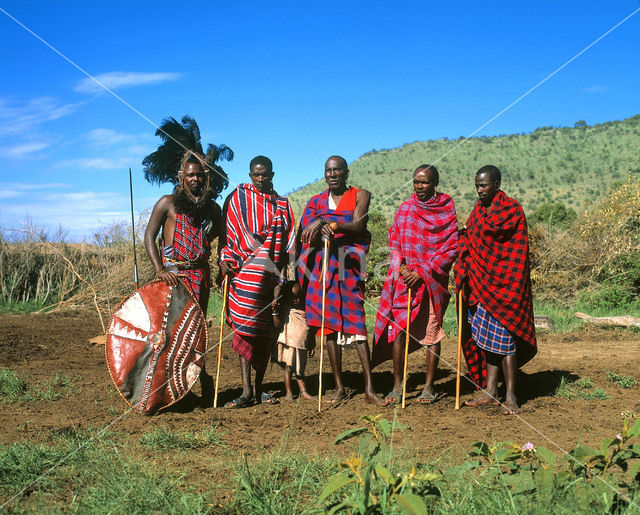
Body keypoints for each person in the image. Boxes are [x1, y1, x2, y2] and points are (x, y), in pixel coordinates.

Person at [298, 155, 385, 405]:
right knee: (328, 329)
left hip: (349, 269)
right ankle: (339, 388)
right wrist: (318, 231)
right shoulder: (315, 202)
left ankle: (369, 388)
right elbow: (306, 235)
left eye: (337, 170)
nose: (332, 174)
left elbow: (358, 224)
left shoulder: (361, 195)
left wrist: (329, 224)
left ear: (347, 173)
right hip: (323, 270)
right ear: (324, 174)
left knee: (358, 327)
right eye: (328, 170)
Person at [371, 165, 458, 404]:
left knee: (431, 332)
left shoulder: (446, 210)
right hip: (404, 281)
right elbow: (395, 240)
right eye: (416, 182)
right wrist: (403, 269)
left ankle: (429, 387)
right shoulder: (406, 209)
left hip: (431, 282)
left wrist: (422, 272)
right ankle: (398, 385)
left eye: (425, 182)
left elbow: (451, 247)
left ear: (435, 183)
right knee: (398, 330)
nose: (419, 186)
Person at [454, 165, 537, 415]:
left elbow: (515, 253)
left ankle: (511, 396)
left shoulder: (512, 210)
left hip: (507, 287)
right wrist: (463, 250)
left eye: (483, 185)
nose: (479, 190)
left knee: (506, 340)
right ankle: (491, 390)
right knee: (488, 339)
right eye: (477, 185)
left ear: (497, 184)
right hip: (481, 286)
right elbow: (471, 239)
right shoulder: (478, 212)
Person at [144, 151, 224, 407]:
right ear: (181, 177)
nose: (195, 179)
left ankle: (196, 383)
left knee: (196, 332)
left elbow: (222, 234)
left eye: (200, 175)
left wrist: (220, 262)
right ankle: (169, 391)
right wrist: (160, 269)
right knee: (171, 333)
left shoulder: (210, 207)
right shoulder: (167, 203)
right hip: (174, 278)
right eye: (190, 175)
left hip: (200, 275)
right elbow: (149, 237)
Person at [219, 156, 296, 408]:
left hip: (271, 277)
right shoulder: (237, 199)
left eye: (265, 175)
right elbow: (227, 235)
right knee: (245, 329)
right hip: (244, 275)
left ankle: (260, 388)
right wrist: (225, 260)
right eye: (256, 175)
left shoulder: (282, 205)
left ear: (273, 175)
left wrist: (282, 278)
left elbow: (287, 244)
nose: (261, 179)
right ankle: (246, 390)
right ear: (250, 175)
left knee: (266, 333)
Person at [271, 281, 315, 401]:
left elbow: (310, 329)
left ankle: (304, 391)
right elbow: (277, 325)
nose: (296, 301)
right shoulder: (285, 311)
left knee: (300, 369)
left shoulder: (305, 312)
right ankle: (289, 392)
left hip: (302, 345)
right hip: (289, 344)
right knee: (289, 367)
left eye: (299, 297)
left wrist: (312, 344)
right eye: (293, 298)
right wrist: (274, 311)